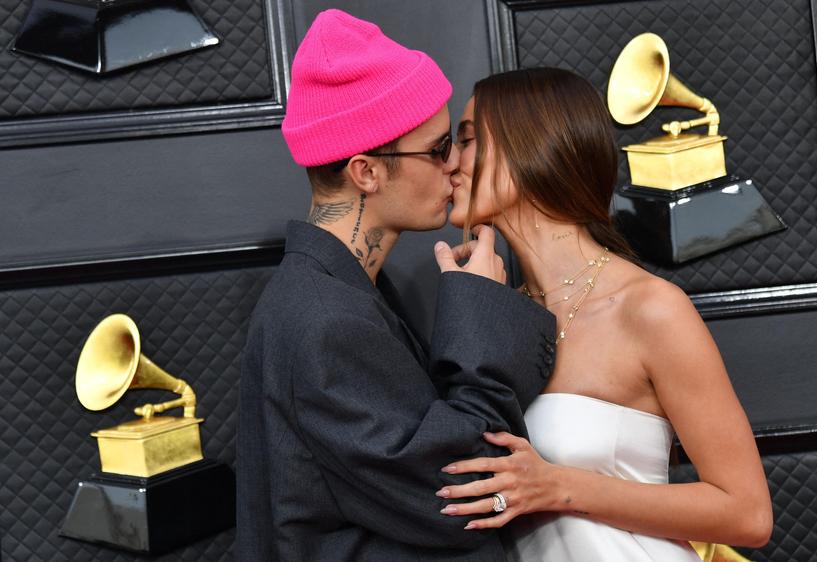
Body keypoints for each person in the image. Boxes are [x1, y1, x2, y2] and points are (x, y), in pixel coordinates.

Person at [236, 11, 556, 561]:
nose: (455, 165)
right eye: (437, 150)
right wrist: (481, 308)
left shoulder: (338, 292)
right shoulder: (326, 321)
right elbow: (466, 492)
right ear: (367, 172)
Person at [439, 67, 773, 561]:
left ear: (531, 144)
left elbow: (747, 514)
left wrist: (558, 487)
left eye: (466, 141)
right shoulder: (499, 312)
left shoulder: (650, 308)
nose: (450, 163)